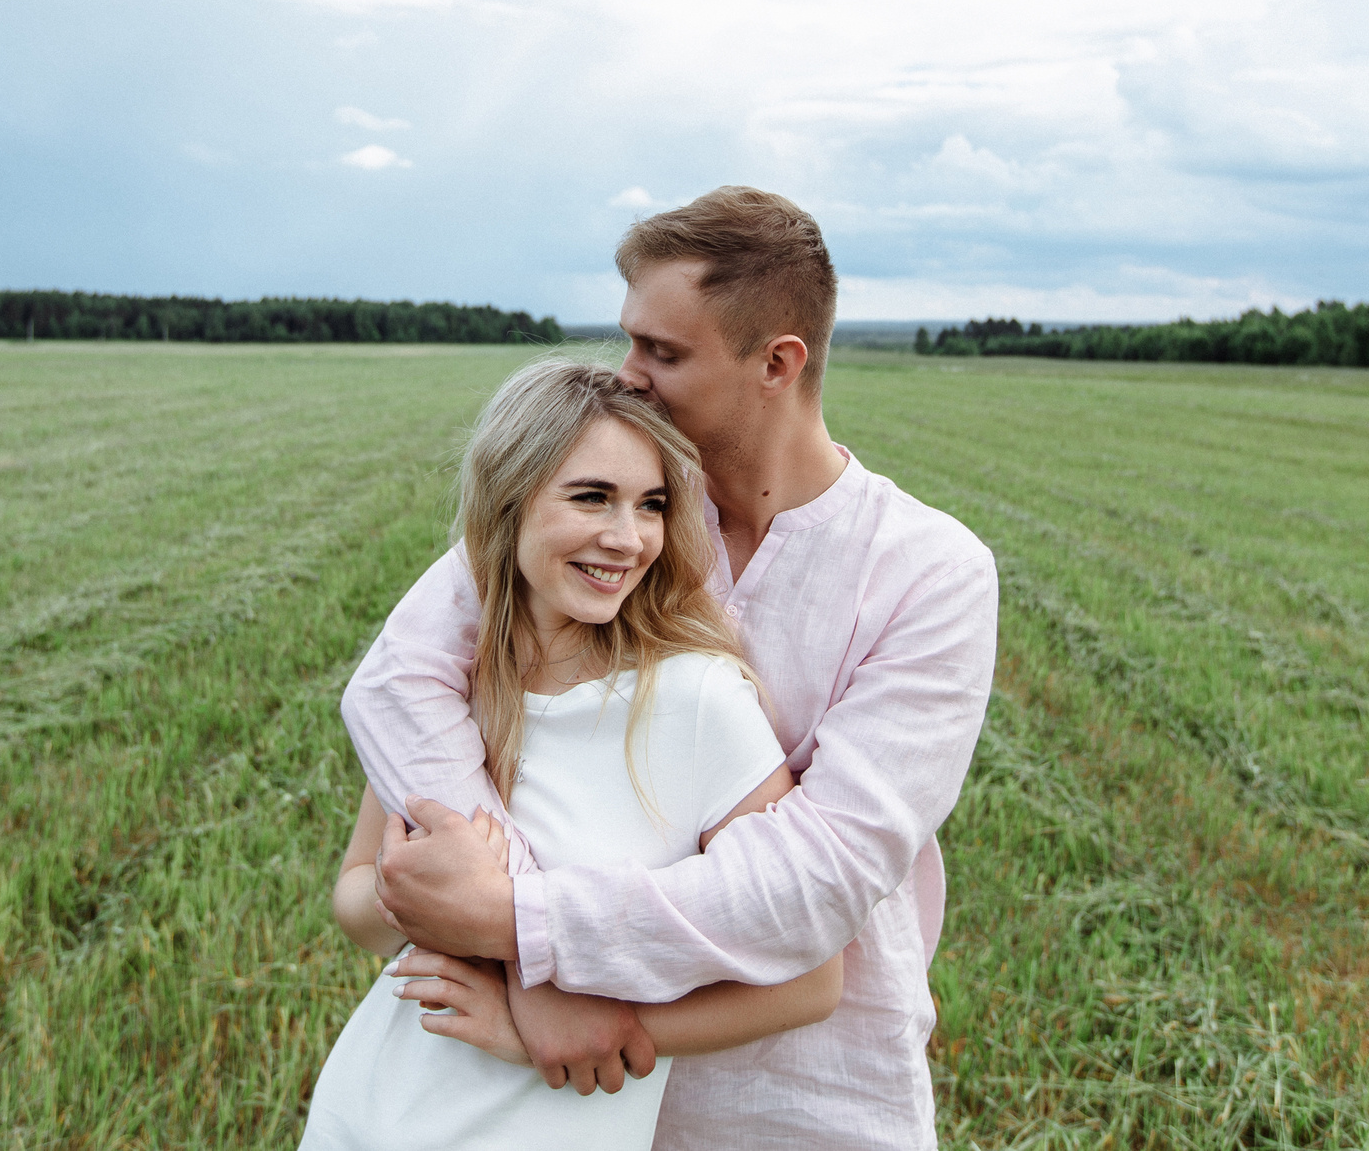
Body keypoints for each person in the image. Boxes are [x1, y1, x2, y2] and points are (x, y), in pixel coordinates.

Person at [341, 187, 999, 1151]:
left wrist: (521, 925)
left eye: (664, 351)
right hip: (560, 1112)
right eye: (630, 341)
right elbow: (397, 678)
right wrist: (511, 943)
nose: (629, 376)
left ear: (777, 363)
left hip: (805, 1104)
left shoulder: (928, 574)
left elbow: (809, 883)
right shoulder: (615, 518)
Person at [300, 359, 847, 1151]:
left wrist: (568, 1023)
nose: (627, 538)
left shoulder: (697, 701)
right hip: (374, 1110)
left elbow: (810, 978)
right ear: (509, 502)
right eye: (592, 496)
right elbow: (356, 901)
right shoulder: (449, 696)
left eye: (651, 504)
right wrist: (415, 900)